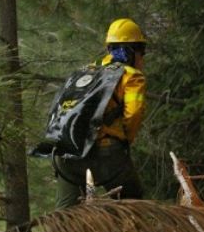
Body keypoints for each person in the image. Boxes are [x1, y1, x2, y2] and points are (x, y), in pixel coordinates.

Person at [53, 18, 147, 209]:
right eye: (141, 51)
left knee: (65, 214)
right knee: (134, 204)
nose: (142, 57)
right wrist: (125, 140)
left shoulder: (85, 71)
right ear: (132, 50)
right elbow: (133, 114)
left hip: (65, 152)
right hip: (105, 153)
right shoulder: (131, 76)